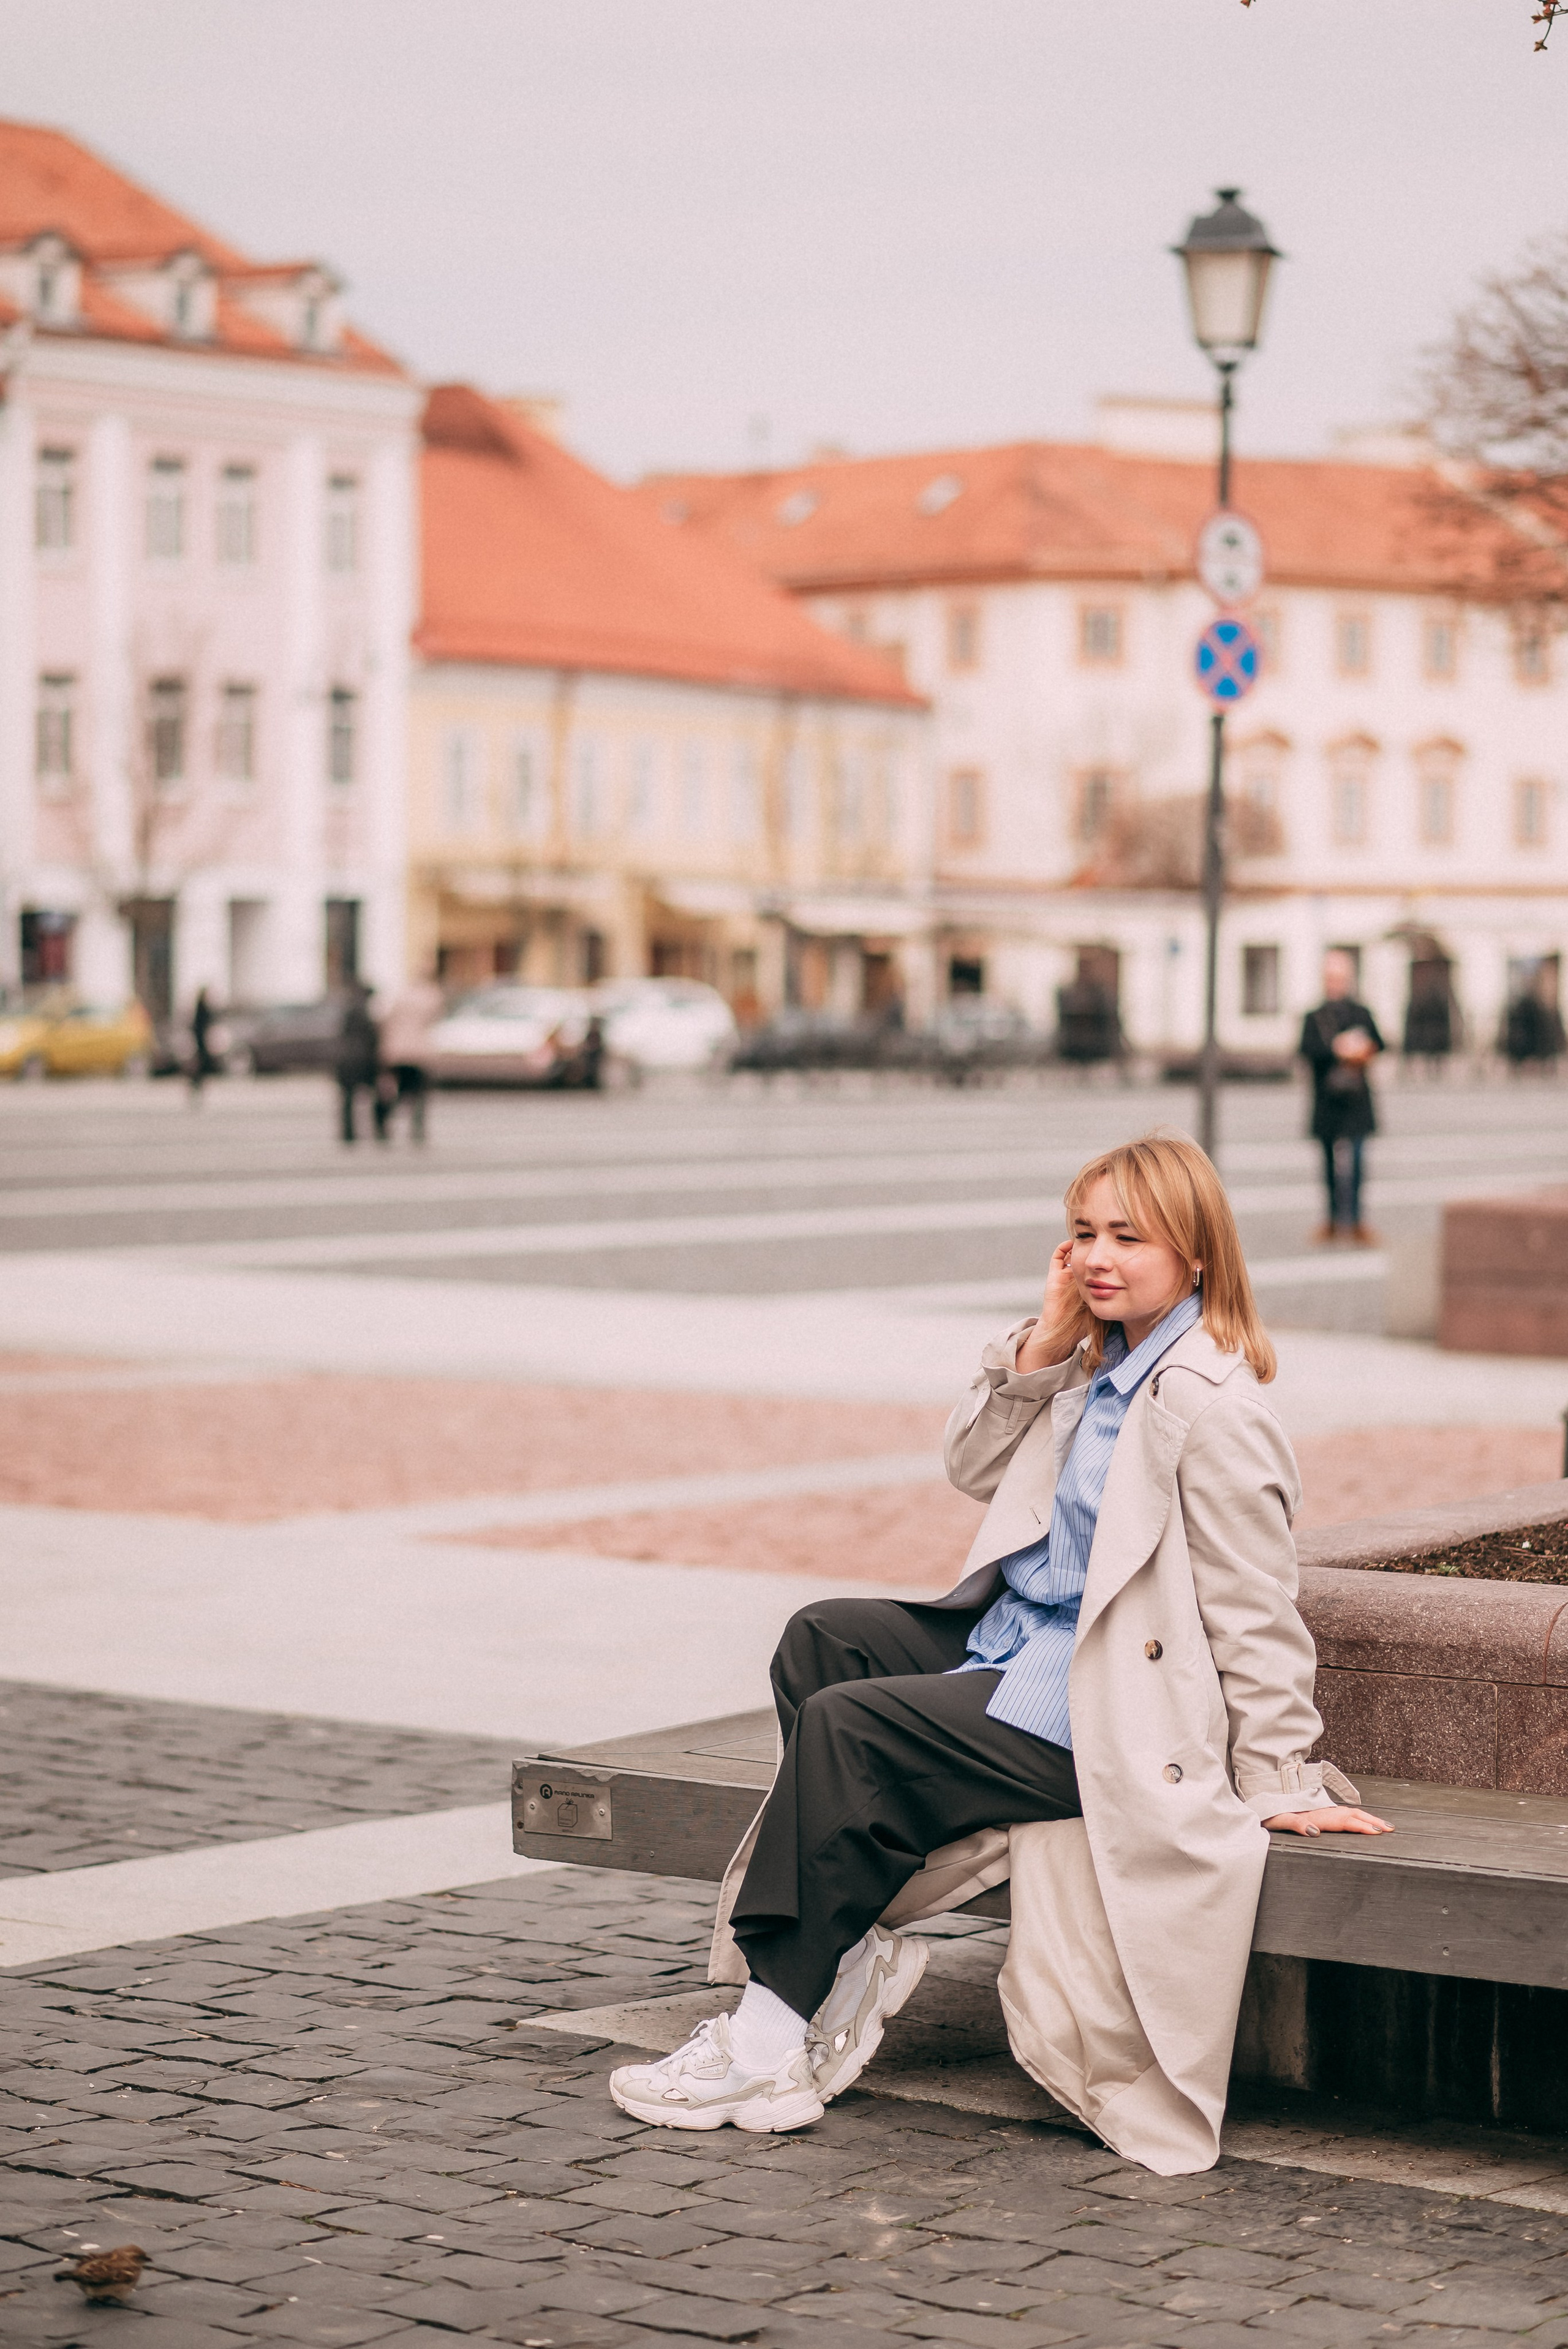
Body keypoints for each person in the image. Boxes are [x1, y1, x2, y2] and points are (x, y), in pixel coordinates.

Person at [608, 1134, 1388, 2173]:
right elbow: (972, 1467)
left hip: (1106, 1703)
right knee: (824, 1640)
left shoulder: (1214, 1408)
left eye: (1128, 1237)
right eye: (1082, 1234)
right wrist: (1044, 1348)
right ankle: (836, 1960)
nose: (1098, 1257)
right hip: (1014, 1641)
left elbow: (1257, 1608)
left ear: (1196, 1255)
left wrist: (1277, 1774)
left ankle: (766, 2038)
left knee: (852, 1731)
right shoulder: (1093, 1368)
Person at [1299, 950, 1384, 1244]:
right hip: (1327, 1101)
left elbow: (1381, 1044)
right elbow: (1306, 1050)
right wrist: (1336, 1049)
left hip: (1357, 1101)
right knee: (1328, 1165)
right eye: (1331, 978)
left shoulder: (1361, 1013)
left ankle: (1358, 1219)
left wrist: (1360, 1050)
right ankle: (1333, 1220)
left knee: (1359, 1162)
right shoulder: (1314, 1016)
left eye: (1340, 978)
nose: (1335, 983)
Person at [374, 973, 443, 1142]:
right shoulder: (431, 997)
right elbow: (437, 1017)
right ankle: (417, 1129)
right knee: (419, 1092)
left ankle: (385, 1122)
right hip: (419, 1053)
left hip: (397, 1052)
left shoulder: (399, 997)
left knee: (394, 1091)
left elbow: (384, 1022)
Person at [333, 982, 379, 1145]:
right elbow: (372, 1039)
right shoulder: (366, 1013)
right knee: (373, 1096)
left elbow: (341, 1034)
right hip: (362, 1061)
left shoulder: (348, 1010)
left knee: (348, 1099)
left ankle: (348, 1133)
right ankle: (377, 1130)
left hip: (346, 1059)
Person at [187, 986, 221, 1101]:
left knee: (202, 1067)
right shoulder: (202, 1008)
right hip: (201, 1042)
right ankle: (195, 1085)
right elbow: (200, 1026)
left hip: (202, 1042)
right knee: (202, 1066)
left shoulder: (201, 1008)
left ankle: (197, 1086)